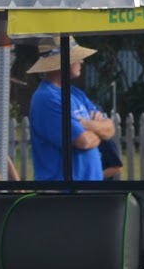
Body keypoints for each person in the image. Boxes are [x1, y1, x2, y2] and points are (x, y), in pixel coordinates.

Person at [26, 39, 114, 183]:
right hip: (64, 194)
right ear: (62, 62)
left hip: (87, 191)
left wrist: (86, 125)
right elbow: (82, 141)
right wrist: (98, 131)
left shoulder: (76, 93)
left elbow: (110, 129)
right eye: (76, 56)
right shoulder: (47, 98)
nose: (82, 61)